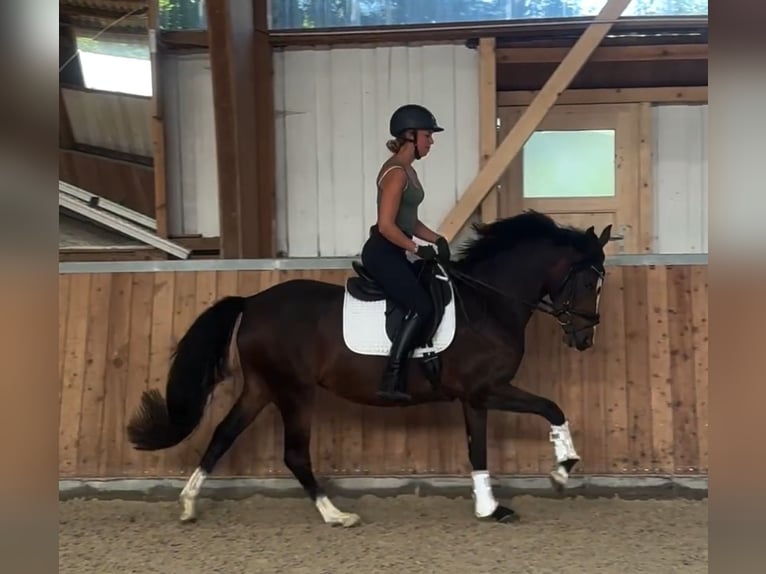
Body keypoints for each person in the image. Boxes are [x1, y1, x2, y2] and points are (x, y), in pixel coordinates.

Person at [360, 103, 451, 402]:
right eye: (427, 135)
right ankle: (391, 379)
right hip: (383, 252)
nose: (431, 141)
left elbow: (408, 220)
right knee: (422, 306)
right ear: (410, 136)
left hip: (397, 249)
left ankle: (425, 356)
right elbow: (387, 226)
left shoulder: (409, 171)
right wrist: (416, 248)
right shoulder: (397, 173)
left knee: (433, 288)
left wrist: (437, 239)